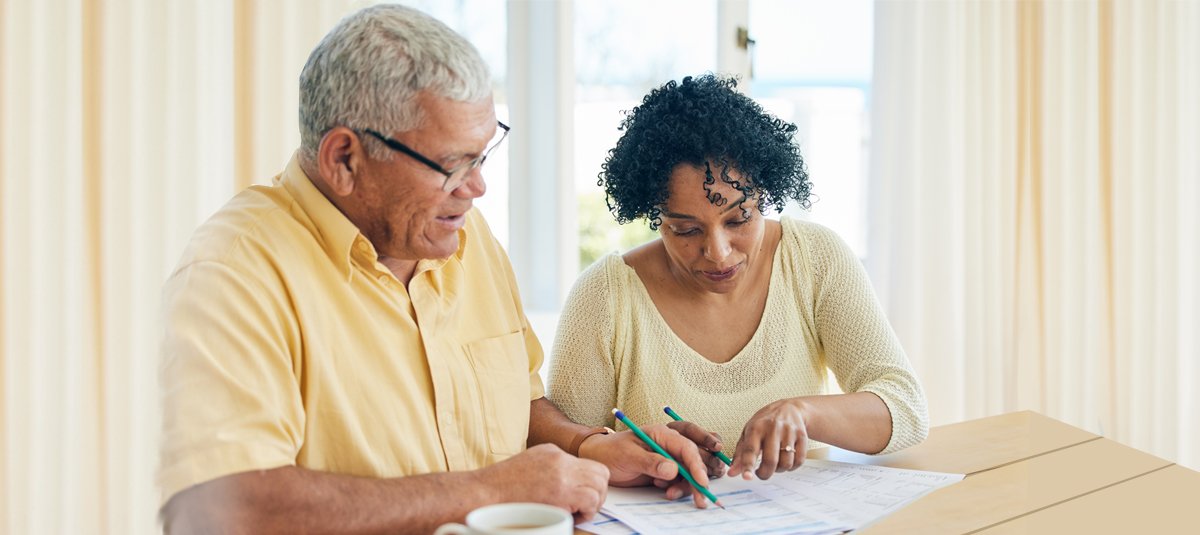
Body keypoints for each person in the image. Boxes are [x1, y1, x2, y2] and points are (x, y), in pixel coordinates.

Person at [157, 6, 713, 533]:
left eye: (482, 155)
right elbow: (220, 512)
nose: (477, 187)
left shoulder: (465, 236)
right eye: (452, 166)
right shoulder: (232, 273)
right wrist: (488, 491)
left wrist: (588, 446)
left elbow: (516, 406)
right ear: (344, 159)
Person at [547, 74, 929, 488]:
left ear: (764, 193)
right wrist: (627, 453)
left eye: (739, 219)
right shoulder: (605, 296)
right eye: (686, 230)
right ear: (654, 215)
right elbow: (561, 454)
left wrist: (805, 413)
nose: (718, 252)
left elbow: (906, 409)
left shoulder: (814, 258)